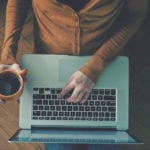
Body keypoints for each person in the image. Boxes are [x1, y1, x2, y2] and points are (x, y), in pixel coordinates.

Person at [0, 0, 148, 149]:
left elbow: (135, 14)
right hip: (48, 62)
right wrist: (7, 56)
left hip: (106, 60)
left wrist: (95, 67)